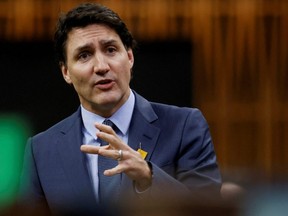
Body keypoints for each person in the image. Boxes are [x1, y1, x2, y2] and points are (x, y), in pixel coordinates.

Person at [19, 2, 222, 215]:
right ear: (66, 72)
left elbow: (210, 210)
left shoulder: (184, 126)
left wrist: (148, 176)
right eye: (84, 55)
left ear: (130, 57)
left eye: (110, 50)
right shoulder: (41, 150)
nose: (101, 66)